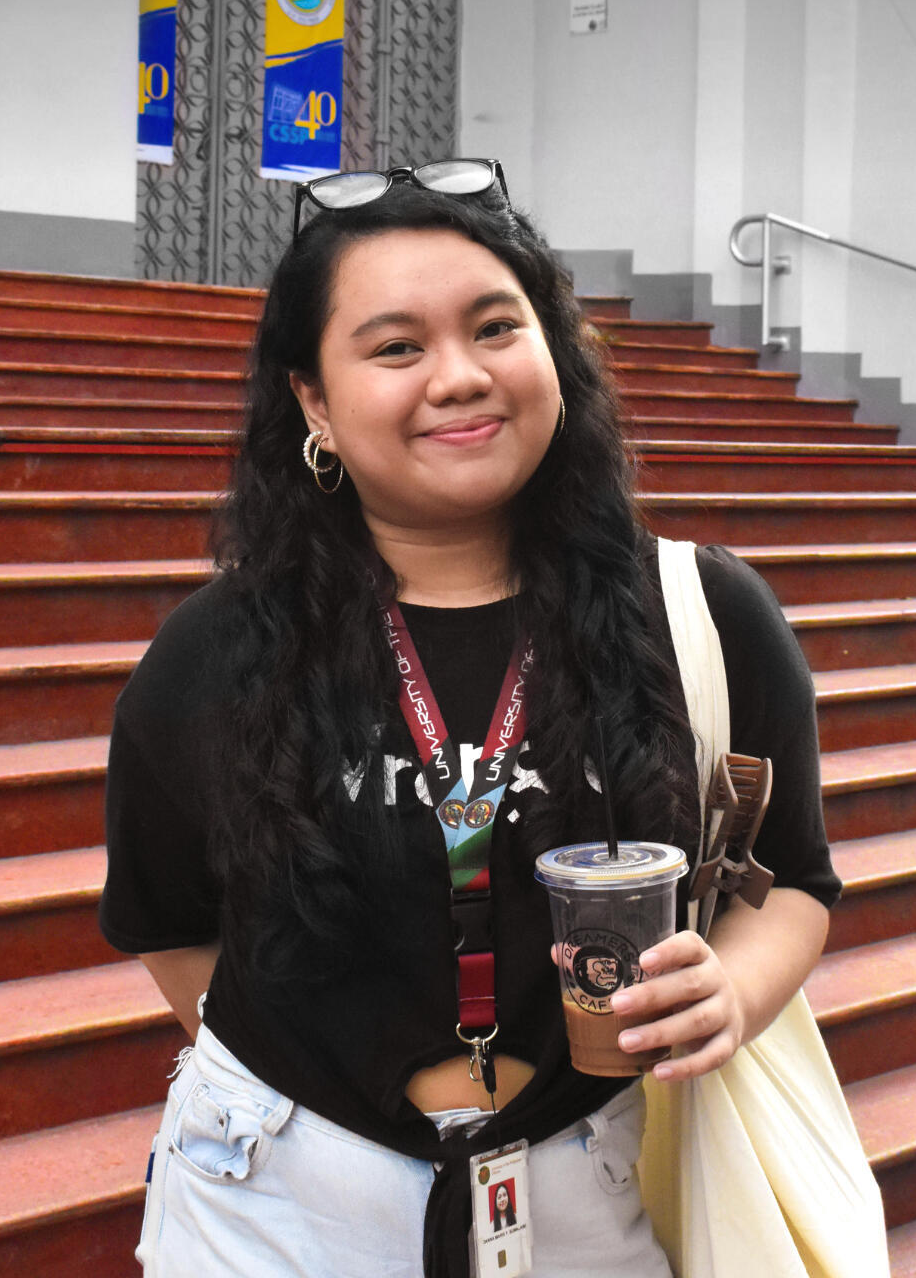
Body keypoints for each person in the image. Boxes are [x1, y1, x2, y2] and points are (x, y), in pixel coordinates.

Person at [99, 159, 840, 1277]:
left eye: (497, 328)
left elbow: (792, 882)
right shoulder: (214, 656)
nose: (460, 378)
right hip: (273, 1203)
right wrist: (316, 1086)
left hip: (581, 1193)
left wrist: (730, 990)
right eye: (397, 347)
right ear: (314, 401)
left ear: (554, 352)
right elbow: (170, 923)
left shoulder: (702, 614)